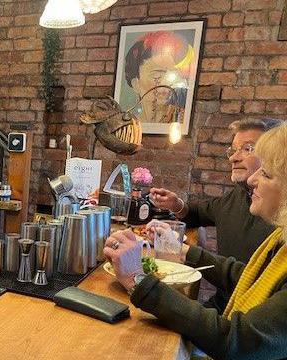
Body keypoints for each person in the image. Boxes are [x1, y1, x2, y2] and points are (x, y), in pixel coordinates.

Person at [104, 123, 287, 359]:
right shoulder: (279, 238)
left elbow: (236, 341)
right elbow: (246, 276)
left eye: (266, 173)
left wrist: (136, 279)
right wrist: (183, 252)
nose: (252, 180)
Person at [150, 118, 281, 263]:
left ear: (276, 157)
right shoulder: (237, 195)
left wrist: (185, 251)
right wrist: (175, 204)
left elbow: (249, 278)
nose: (233, 158)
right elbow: (198, 213)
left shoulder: (280, 216)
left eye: (247, 149)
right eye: (233, 150)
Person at [124, 31, 192, 123]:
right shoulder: (128, 127)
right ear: (136, 84)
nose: (167, 83)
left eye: (171, 74)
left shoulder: (183, 118)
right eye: (157, 75)